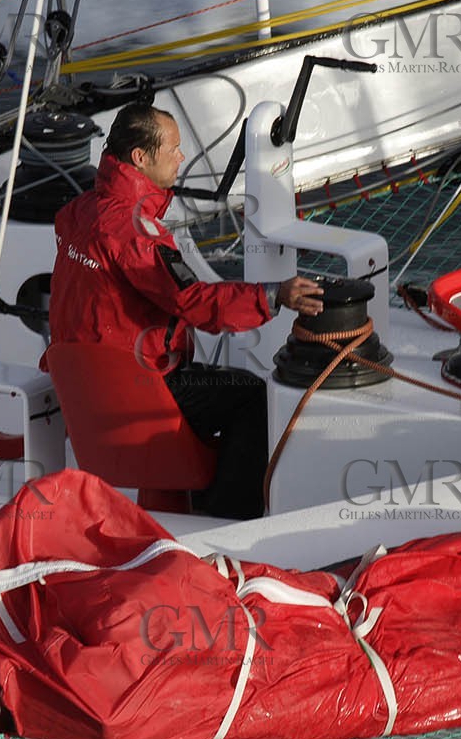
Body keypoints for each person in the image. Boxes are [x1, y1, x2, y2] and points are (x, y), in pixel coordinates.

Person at [47, 101, 322, 518]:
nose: (181, 158)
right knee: (250, 396)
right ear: (140, 158)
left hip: (85, 385)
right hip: (136, 387)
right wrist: (272, 296)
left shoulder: (78, 212)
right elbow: (188, 300)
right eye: (173, 149)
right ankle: (227, 521)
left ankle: (181, 498)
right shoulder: (136, 231)